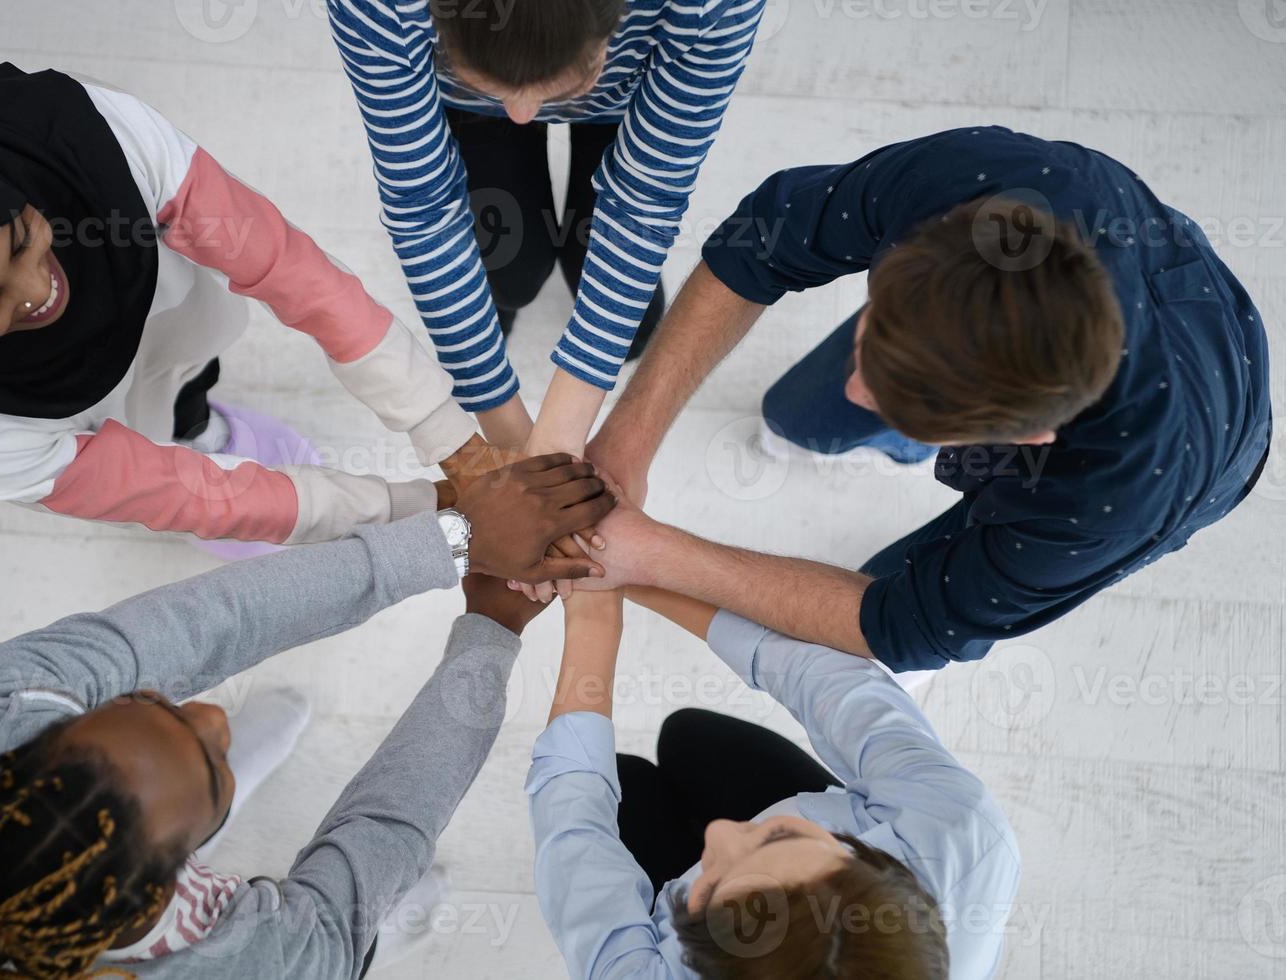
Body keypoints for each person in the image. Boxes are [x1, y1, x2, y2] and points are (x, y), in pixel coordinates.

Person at [0, 453, 610, 979]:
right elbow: (385, 831)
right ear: (169, 894)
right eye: (214, 771)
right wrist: (492, 629)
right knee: (357, 914)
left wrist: (458, 535)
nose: (212, 713)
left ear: (38, 736)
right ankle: (380, 926)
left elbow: (211, 623)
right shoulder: (263, 960)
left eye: (152, 703)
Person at [579, 127, 1271, 672]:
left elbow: (899, 624)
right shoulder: (977, 183)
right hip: (1064, 286)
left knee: (868, 626)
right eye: (873, 335)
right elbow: (759, 240)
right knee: (799, 418)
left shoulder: (1110, 504)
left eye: (897, 402)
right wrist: (627, 439)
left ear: (1019, 437)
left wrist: (655, 553)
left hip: (1197, 445)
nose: (856, 388)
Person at [0, 63, 507, 556]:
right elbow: (185, 495)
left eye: (22, 238)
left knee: (184, 363)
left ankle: (199, 418)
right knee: (165, 451)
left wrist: (449, 437)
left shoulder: (85, 135)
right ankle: (196, 435)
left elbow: (292, 272)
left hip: (154, 300)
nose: (37, 292)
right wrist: (413, 511)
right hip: (58, 418)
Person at [327, 0, 765, 459]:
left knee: (633, 327)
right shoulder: (376, 7)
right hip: (474, 109)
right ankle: (503, 298)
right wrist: (497, 410)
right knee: (511, 274)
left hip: (627, 98)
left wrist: (561, 432)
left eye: (553, 86)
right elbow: (423, 205)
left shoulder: (710, 8)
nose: (525, 111)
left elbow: (644, 202)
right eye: (506, 89)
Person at [527, 587, 1020, 978]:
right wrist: (634, 570)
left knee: (626, 788)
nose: (719, 832)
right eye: (783, 834)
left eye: (711, 885)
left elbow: (574, 832)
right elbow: (826, 680)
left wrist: (592, 618)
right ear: (876, 865)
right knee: (692, 737)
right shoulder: (960, 833)